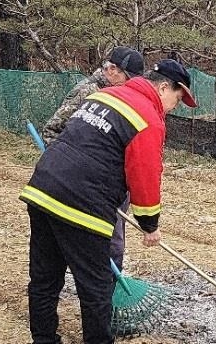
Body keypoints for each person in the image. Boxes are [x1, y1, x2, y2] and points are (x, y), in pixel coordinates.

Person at [21, 59, 198, 344]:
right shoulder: (148, 118)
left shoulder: (103, 95)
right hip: (82, 204)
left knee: (44, 279)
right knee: (97, 288)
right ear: (164, 87)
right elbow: (145, 174)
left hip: (43, 187)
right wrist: (149, 224)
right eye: (178, 98)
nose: (175, 106)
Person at [41, 45, 144, 271]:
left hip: (114, 179)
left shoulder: (126, 96)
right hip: (80, 180)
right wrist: (69, 165)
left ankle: (110, 284)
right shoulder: (87, 92)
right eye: (129, 78)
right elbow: (52, 130)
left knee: (115, 234)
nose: (132, 85)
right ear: (113, 70)